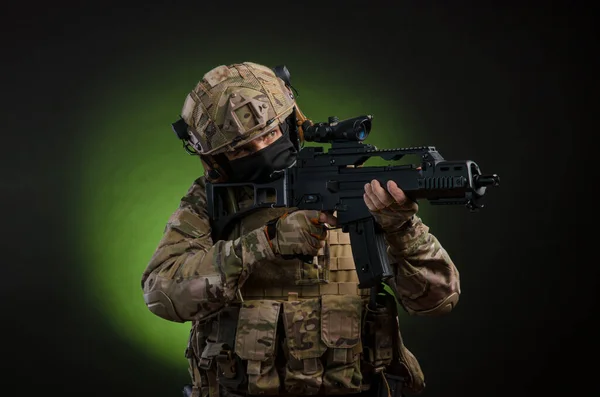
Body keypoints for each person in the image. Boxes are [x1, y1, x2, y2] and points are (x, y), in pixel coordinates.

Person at [141, 62, 461, 397]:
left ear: (293, 123)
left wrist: (401, 229)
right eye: (241, 150)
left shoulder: (360, 189)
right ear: (218, 159)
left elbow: (438, 300)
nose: (263, 152)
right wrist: (265, 242)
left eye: (270, 134)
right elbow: (161, 294)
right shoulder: (207, 203)